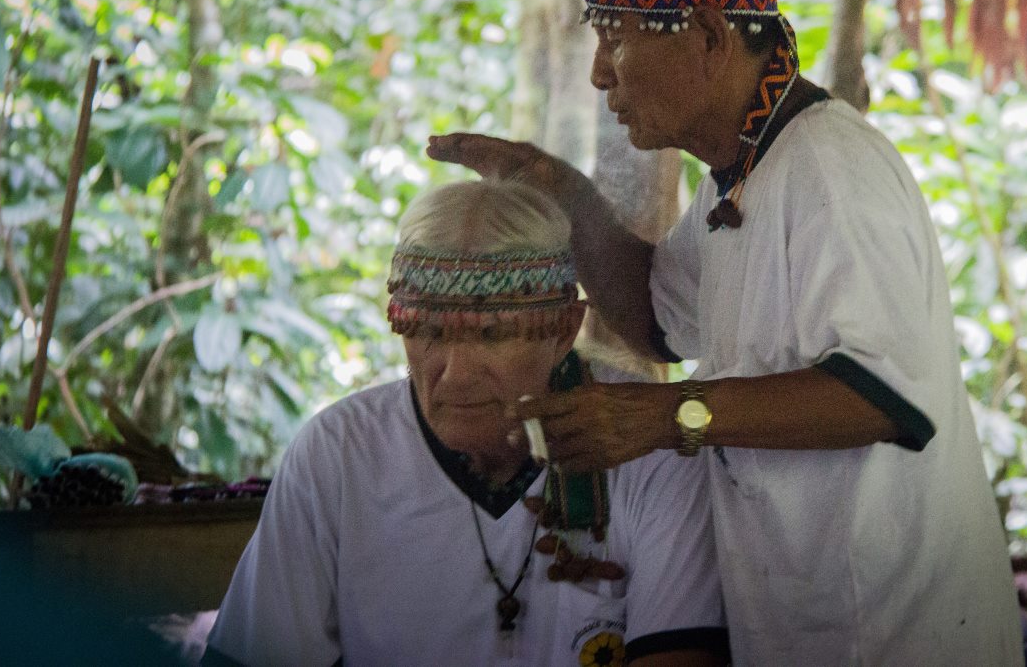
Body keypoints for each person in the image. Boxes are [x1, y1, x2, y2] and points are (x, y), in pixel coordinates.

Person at [428, 0, 1024, 665]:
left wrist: (664, 419)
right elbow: (653, 316)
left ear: (707, 35)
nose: (601, 71)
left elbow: (884, 398)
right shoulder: (742, 176)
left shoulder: (829, 170)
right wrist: (554, 186)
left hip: (893, 637)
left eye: (616, 33)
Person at [203, 180, 730, 666]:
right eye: (429, 332)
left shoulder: (648, 449)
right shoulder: (340, 453)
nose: (455, 375)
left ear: (564, 329)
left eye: (492, 336)